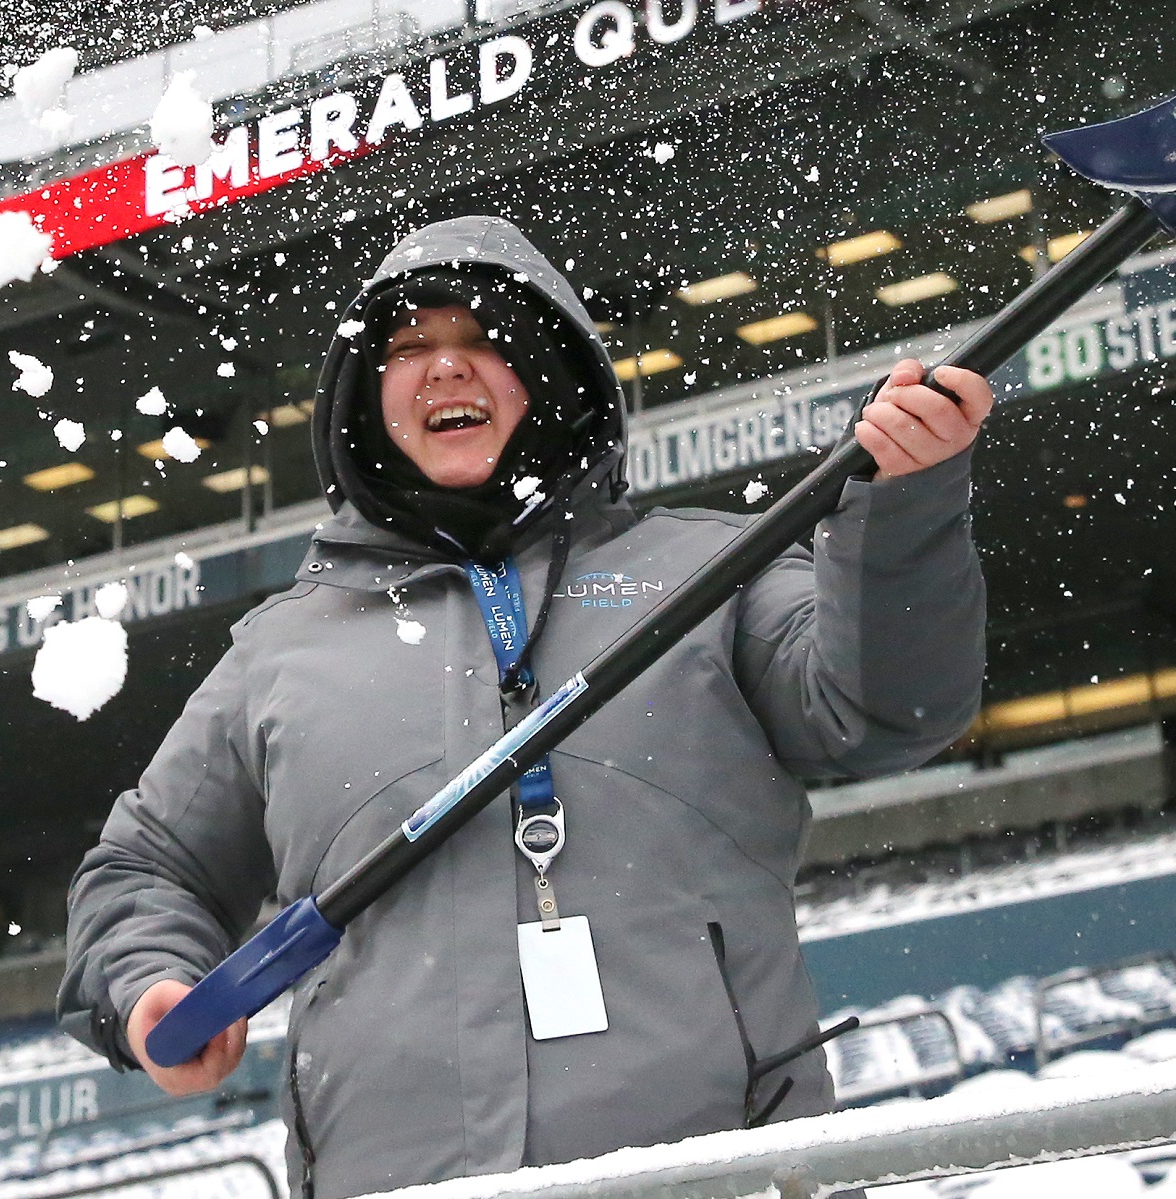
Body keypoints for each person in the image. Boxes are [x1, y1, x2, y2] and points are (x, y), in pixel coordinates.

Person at [59, 216, 992, 1195]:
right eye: (411, 347)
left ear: (549, 374)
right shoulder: (278, 651)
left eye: (483, 340)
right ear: (368, 401)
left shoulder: (714, 570)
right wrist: (146, 982)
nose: (445, 369)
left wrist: (903, 508)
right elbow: (147, 866)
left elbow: (888, 710)